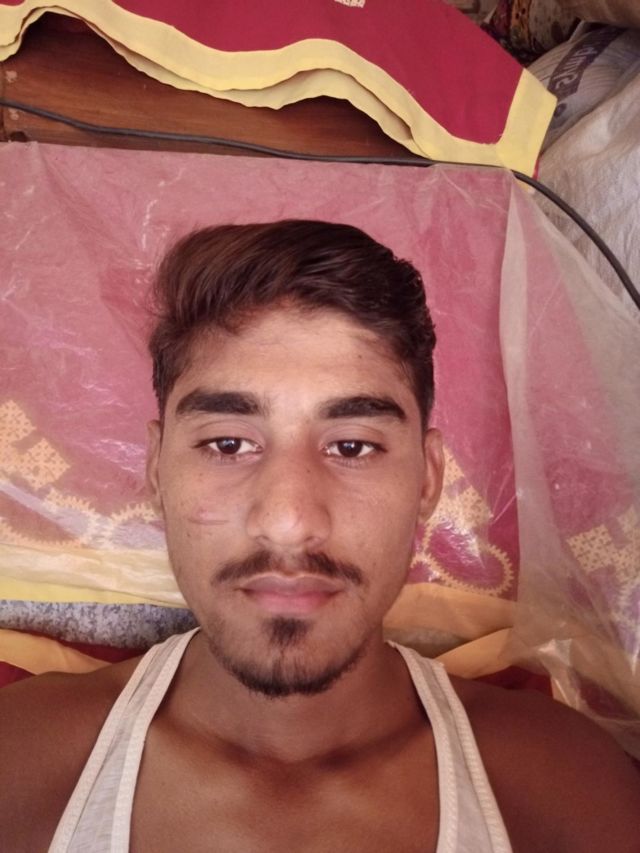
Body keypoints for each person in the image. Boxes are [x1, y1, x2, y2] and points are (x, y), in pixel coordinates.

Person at [1, 220, 638, 853]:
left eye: (352, 446)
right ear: (156, 471)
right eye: (229, 444)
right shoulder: (21, 761)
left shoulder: (565, 789)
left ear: (427, 479)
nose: (290, 520)